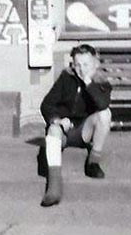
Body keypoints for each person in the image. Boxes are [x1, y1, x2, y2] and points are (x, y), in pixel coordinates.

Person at [39, 44, 112, 207]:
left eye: (86, 65)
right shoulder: (67, 78)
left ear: (96, 64)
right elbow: (47, 104)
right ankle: (54, 187)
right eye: (77, 65)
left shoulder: (102, 82)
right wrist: (57, 119)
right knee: (52, 129)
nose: (81, 69)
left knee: (105, 114)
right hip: (64, 130)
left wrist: (88, 83)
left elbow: (102, 104)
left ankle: (93, 161)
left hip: (85, 130)